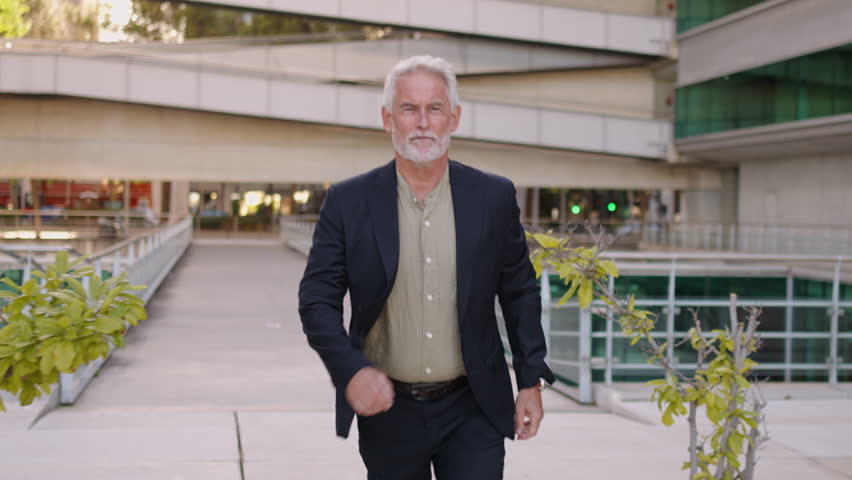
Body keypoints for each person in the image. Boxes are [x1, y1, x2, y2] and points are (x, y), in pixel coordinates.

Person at [298, 55, 554, 480]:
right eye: (408, 108)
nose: (422, 122)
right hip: (388, 410)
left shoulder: (493, 198)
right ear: (387, 119)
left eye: (434, 108)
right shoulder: (348, 203)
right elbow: (316, 301)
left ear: (453, 118)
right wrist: (350, 370)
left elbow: (519, 292)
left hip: (474, 405)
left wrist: (530, 380)